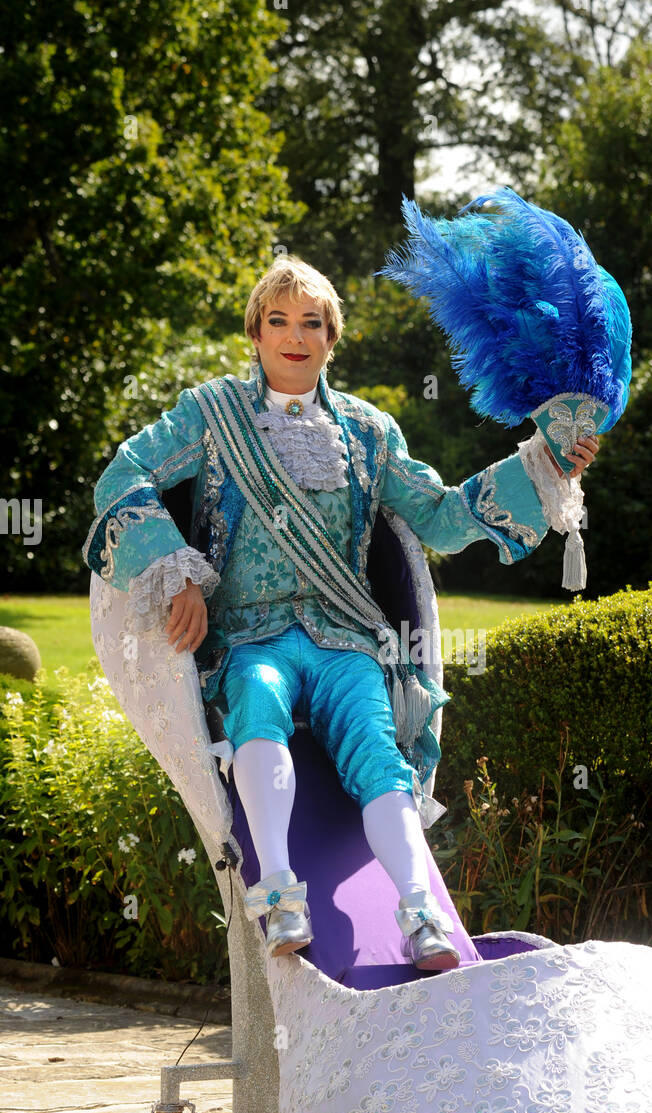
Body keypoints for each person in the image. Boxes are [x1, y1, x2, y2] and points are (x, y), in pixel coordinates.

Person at [82, 256, 597, 970]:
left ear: (332, 339)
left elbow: (444, 520)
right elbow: (123, 475)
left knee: (378, 756)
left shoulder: (370, 432)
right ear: (256, 333)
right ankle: (280, 895)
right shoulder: (209, 413)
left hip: (347, 639)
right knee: (257, 705)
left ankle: (422, 917)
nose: (296, 336)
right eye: (279, 321)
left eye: (313, 323)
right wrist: (179, 572)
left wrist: (542, 464)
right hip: (250, 636)